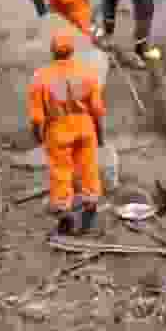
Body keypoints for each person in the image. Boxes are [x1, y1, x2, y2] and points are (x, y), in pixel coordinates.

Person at [28, 30, 106, 238]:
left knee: (61, 172)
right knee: (88, 169)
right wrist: (99, 132)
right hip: (85, 127)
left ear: (52, 51)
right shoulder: (87, 73)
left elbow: (37, 117)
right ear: (72, 51)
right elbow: (97, 109)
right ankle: (90, 211)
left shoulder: (40, 77)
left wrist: (38, 134)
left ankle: (65, 218)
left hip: (58, 131)